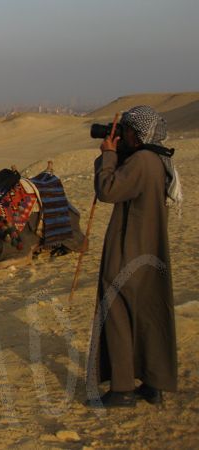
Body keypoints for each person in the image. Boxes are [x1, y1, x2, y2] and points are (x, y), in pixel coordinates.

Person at [87, 105, 181, 408]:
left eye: (126, 130)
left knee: (116, 314)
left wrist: (109, 154)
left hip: (129, 251)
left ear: (137, 135)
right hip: (148, 251)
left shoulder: (141, 161)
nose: (121, 134)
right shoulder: (155, 159)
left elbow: (108, 189)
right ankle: (153, 383)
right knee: (148, 317)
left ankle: (122, 389)